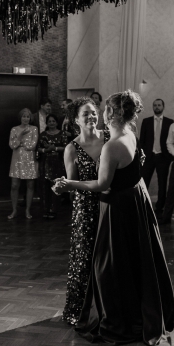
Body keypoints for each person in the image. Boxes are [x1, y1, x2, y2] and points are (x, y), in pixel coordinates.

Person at [55, 90, 174, 346]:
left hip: (115, 208)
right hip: (123, 204)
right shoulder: (128, 134)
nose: (95, 115)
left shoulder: (111, 143)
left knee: (109, 266)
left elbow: (102, 184)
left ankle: (114, 316)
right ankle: (98, 308)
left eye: (98, 111)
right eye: (87, 113)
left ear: (110, 112)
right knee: (120, 262)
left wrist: (69, 184)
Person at [61, 97, 110, 325]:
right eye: (85, 114)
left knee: (109, 256)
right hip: (86, 208)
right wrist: (62, 186)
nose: (91, 116)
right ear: (76, 120)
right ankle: (82, 310)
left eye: (93, 112)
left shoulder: (109, 138)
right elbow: (72, 184)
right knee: (85, 259)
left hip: (110, 205)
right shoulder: (71, 148)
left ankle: (109, 308)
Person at [139, 98, 173, 213]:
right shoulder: (146, 121)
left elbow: (171, 141)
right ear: (153, 107)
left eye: (159, 105)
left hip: (163, 157)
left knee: (162, 184)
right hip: (149, 157)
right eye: (155, 105)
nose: (157, 107)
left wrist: (169, 157)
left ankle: (159, 208)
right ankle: (142, 205)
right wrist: (142, 156)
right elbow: (142, 141)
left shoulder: (170, 122)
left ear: (163, 107)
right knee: (143, 183)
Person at [8, 108, 39, 220]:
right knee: (14, 185)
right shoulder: (14, 129)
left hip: (29, 159)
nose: (25, 119)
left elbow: (32, 145)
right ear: (20, 117)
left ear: (30, 118)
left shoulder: (34, 129)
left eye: (28, 117)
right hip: (16, 159)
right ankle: (14, 210)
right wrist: (20, 135)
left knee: (30, 185)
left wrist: (21, 144)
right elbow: (12, 145)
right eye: (23, 116)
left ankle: (27, 209)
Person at [37, 114, 68, 218]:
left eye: (53, 121)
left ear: (57, 122)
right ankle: (45, 209)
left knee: (56, 185)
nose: (51, 123)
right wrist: (46, 150)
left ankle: (54, 210)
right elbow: (38, 149)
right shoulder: (43, 134)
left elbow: (66, 147)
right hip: (45, 162)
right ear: (46, 123)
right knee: (44, 186)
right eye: (49, 121)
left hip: (58, 162)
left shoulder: (62, 133)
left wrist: (55, 148)